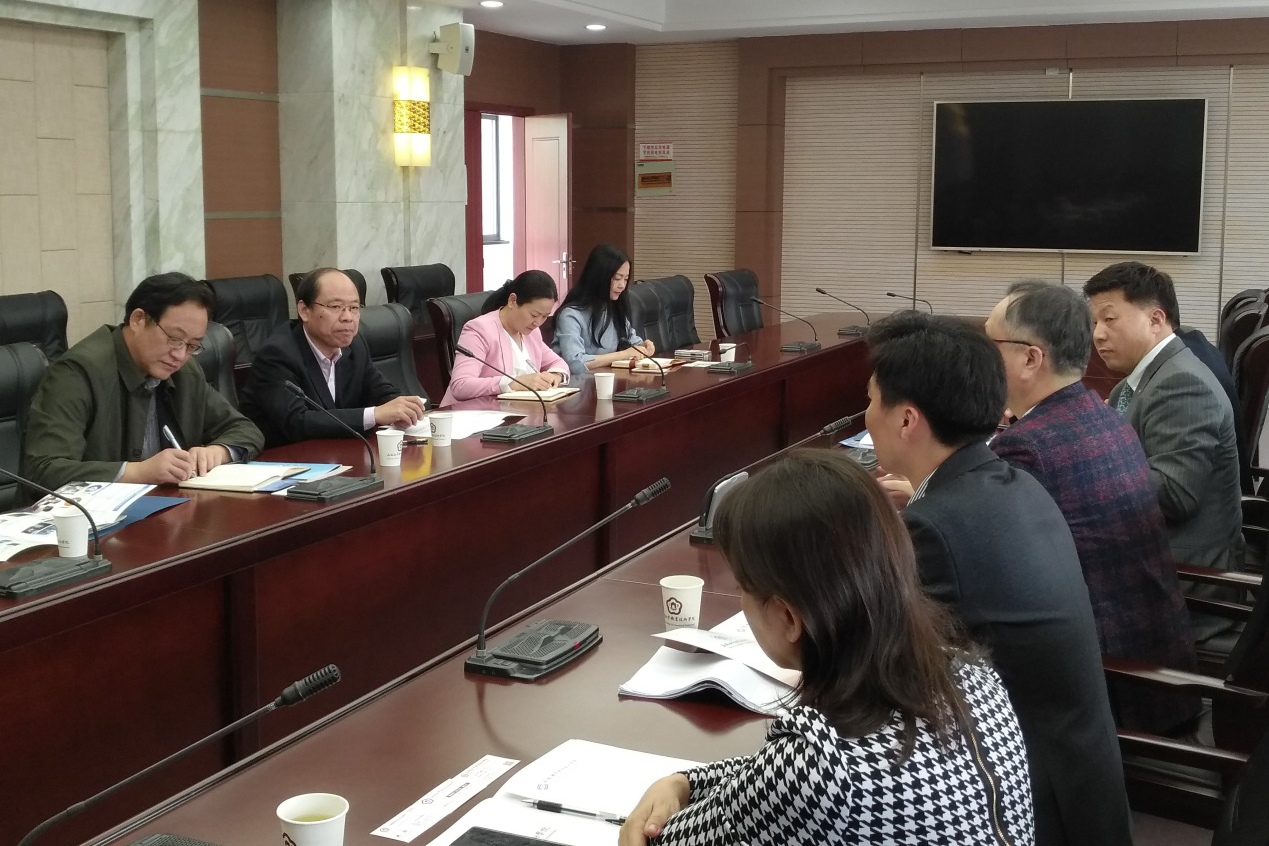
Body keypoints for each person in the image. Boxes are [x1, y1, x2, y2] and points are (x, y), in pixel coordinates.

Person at [619, 450, 1034, 846]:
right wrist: (686, 782)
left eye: (743, 587)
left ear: (788, 617)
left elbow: (655, 840)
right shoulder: (972, 676)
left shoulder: (819, 765)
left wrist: (670, 799)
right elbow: (765, 784)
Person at [865, 312, 1131, 846]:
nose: (865, 416)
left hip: (1028, 799)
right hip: (1083, 778)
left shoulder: (935, 526)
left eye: (870, 401)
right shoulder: (1009, 482)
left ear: (907, 419)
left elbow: (882, 661)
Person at [986, 280, 1198, 734]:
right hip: (1158, 671)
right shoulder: (1100, 414)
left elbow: (994, 577)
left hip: (1110, 691)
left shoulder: (1027, 447)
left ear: (1031, 358)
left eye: (991, 346)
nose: (981, 360)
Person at [1083, 261, 1243, 641]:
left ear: (1156, 319)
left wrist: (1087, 462)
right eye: (1094, 322)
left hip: (1183, 584)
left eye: (1109, 319)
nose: (1098, 334)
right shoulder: (1136, 382)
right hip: (1149, 558)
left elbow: (1174, 494)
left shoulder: (1182, 383)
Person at [23, 272, 264, 488]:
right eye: (174, 339)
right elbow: (45, 469)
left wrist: (217, 451)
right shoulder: (76, 373)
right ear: (138, 319)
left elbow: (244, 429)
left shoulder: (184, 371)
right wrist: (138, 472)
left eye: (192, 345)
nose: (180, 355)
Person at [240, 268, 426, 447]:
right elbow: (298, 421)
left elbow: (379, 390)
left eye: (354, 307)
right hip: (283, 460)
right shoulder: (277, 355)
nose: (348, 317)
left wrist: (402, 407)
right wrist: (375, 414)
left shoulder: (354, 346)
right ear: (304, 310)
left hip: (336, 454)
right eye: (336, 307)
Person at [439, 270, 570, 406]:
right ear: (512, 301)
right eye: (534, 315)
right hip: (475, 413)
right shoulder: (479, 329)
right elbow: (460, 386)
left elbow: (559, 363)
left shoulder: (532, 332)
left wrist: (555, 376)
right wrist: (514, 383)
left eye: (545, 316)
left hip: (520, 412)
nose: (538, 322)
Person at [552, 243, 654, 374]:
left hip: (611, 380)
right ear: (599, 278)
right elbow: (576, 363)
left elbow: (632, 342)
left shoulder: (613, 307)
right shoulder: (571, 315)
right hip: (579, 384)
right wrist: (623, 354)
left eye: (626, 279)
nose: (622, 285)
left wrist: (643, 346)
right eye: (617, 278)